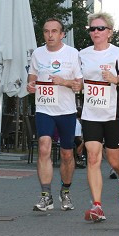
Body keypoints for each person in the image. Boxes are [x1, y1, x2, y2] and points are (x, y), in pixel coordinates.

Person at [79, 12, 119, 222]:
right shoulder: (81, 54)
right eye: (92, 29)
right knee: (93, 157)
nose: (95, 32)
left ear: (109, 32)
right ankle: (97, 206)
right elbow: (77, 80)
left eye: (100, 28)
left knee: (114, 159)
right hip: (90, 112)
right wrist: (74, 84)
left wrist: (116, 80)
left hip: (113, 113)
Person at [26, 18, 83, 212]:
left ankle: (65, 192)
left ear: (62, 34)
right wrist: (30, 84)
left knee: (67, 154)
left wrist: (63, 82)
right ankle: (45, 196)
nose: (50, 35)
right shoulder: (37, 54)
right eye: (46, 31)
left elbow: (79, 85)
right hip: (44, 108)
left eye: (54, 31)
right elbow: (32, 76)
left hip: (66, 110)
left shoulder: (72, 54)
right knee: (44, 147)